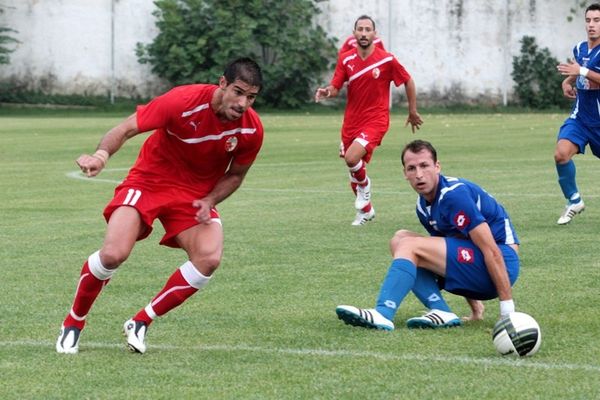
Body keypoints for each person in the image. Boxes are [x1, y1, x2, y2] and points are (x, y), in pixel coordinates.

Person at [56, 57, 264, 354]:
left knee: (209, 258)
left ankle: (140, 322)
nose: (243, 103)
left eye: (251, 97)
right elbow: (127, 128)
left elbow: (235, 175)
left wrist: (209, 200)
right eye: (238, 92)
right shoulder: (182, 100)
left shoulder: (251, 130)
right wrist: (101, 155)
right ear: (222, 83)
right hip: (149, 182)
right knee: (114, 254)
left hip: (192, 195)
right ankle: (74, 322)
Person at [336, 140, 520, 330]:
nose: (419, 175)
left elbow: (491, 250)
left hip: (502, 264)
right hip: (476, 265)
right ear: (405, 174)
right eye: (411, 168)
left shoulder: (454, 196)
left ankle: (383, 313)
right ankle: (441, 310)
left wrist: (508, 313)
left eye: (424, 166)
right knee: (400, 239)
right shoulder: (423, 207)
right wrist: (475, 309)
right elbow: (452, 246)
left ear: (437, 167)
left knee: (410, 245)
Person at [315, 15, 423, 226]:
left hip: (376, 119)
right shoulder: (346, 59)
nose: (364, 33)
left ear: (374, 34)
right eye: (360, 30)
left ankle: (365, 188)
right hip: (351, 121)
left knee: (351, 158)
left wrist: (412, 111)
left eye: (368, 30)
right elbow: (336, 87)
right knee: (354, 168)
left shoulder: (386, 60)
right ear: (354, 34)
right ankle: (365, 211)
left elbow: (408, 81)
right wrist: (327, 92)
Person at [554, 3, 600, 225]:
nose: (591, 25)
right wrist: (567, 81)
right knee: (561, 154)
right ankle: (574, 200)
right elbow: (578, 70)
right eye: (589, 20)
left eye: (597, 21)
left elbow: (584, 71)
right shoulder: (580, 48)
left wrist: (580, 71)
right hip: (580, 117)